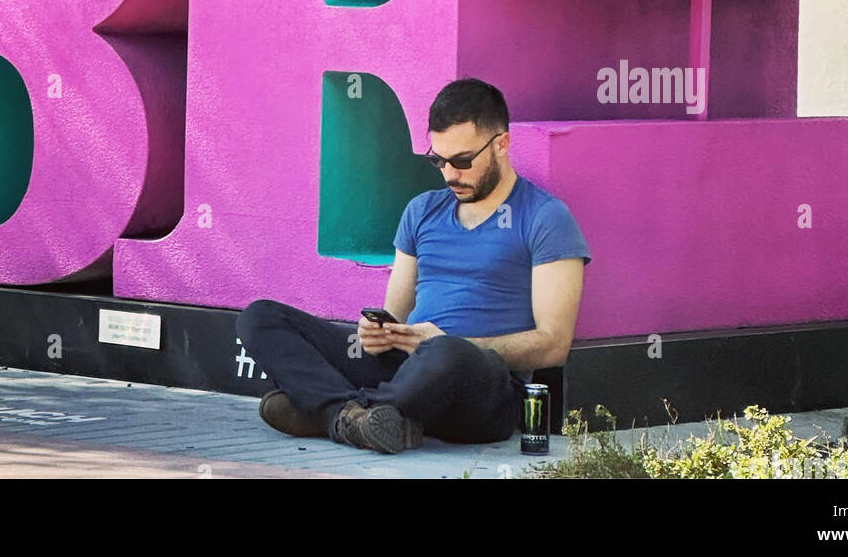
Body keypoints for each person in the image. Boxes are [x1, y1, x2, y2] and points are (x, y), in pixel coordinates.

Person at [236, 78, 591, 454]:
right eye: (438, 160)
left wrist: (450, 343)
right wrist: (378, 335)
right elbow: (396, 316)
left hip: (484, 385)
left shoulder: (546, 217)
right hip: (408, 369)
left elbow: (554, 346)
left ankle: (329, 410)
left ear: (501, 144)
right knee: (260, 317)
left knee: (445, 353)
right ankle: (354, 418)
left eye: (463, 161)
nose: (450, 173)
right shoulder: (421, 211)